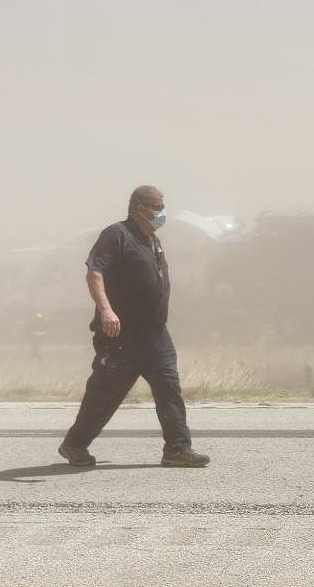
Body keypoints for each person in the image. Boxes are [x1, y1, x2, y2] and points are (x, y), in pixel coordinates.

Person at [58, 185, 209, 467]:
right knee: (105, 395)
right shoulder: (117, 235)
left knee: (169, 388)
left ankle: (177, 448)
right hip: (122, 335)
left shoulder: (153, 239)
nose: (162, 213)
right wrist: (106, 310)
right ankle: (74, 444)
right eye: (158, 207)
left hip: (155, 334)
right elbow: (95, 272)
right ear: (140, 207)